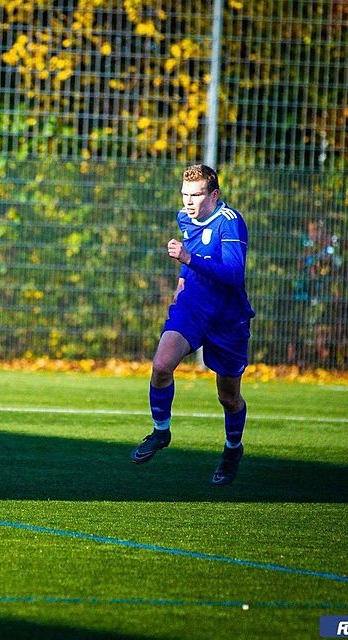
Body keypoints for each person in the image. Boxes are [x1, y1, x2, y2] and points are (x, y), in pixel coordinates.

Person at [130, 164, 255, 485]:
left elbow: (233, 275)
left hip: (227, 318)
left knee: (228, 398)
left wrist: (188, 260)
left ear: (213, 195)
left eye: (196, 195)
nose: (189, 201)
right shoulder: (184, 218)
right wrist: (182, 281)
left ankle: (232, 449)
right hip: (193, 308)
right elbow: (192, 256)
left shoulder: (230, 223)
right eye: (185, 194)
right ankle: (160, 432)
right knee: (160, 366)